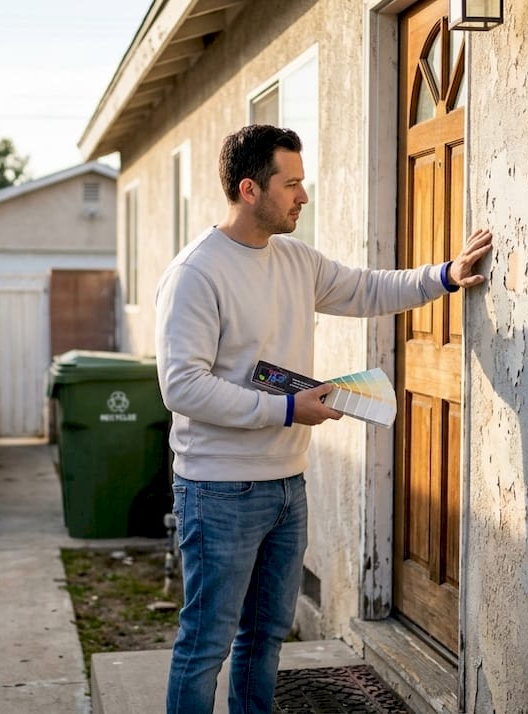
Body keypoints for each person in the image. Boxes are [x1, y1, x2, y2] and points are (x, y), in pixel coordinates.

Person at [155, 124, 493, 714]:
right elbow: (182, 387)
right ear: (249, 189)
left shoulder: (295, 260)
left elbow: (366, 289)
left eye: (302, 183)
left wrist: (444, 275)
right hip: (218, 491)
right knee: (205, 645)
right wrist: (288, 407)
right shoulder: (196, 273)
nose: (303, 196)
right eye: (292, 184)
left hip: (287, 487)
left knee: (264, 641)